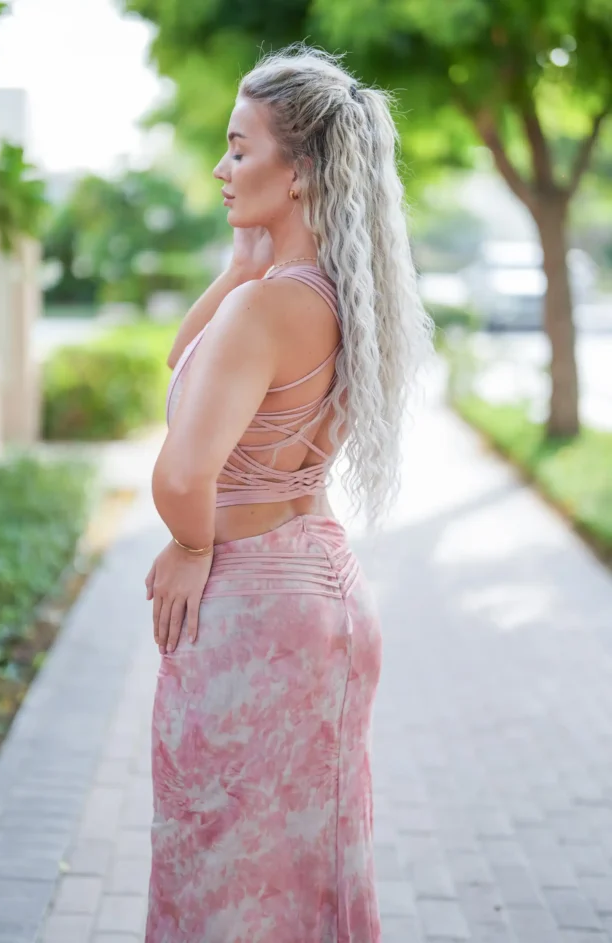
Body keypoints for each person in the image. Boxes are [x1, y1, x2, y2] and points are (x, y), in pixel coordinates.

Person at [144, 43, 432, 943]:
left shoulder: (268, 310)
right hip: (324, 600)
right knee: (310, 870)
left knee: (219, 871)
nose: (223, 167)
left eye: (240, 148)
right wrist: (239, 261)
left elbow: (185, 470)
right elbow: (179, 363)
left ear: (298, 169)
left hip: (254, 610)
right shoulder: (332, 295)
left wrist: (191, 544)